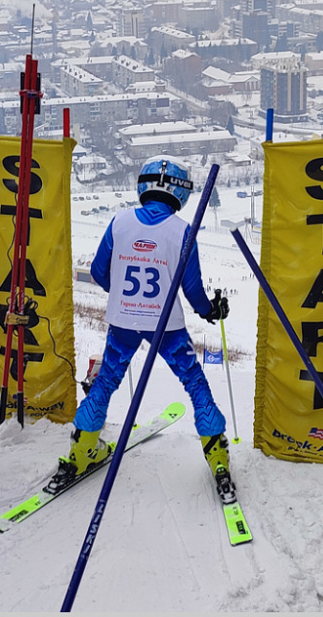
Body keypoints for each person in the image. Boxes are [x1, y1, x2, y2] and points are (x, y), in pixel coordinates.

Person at [55, 155, 234, 501]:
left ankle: (81, 452)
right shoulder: (183, 230)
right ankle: (217, 456)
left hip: (123, 321)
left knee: (106, 381)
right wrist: (209, 310)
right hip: (167, 325)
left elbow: (98, 271)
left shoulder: (120, 222)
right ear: (179, 192)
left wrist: (120, 293)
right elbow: (192, 288)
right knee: (195, 382)